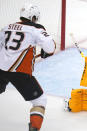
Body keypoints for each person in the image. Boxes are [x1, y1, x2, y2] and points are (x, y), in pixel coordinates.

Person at [0, 3, 55, 131]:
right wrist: (46, 52)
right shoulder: (36, 29)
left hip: (1, 69)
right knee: (40, 100)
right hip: (20, 73)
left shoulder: (7, 27)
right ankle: (34, 128)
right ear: (33, 17)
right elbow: (50, 47)